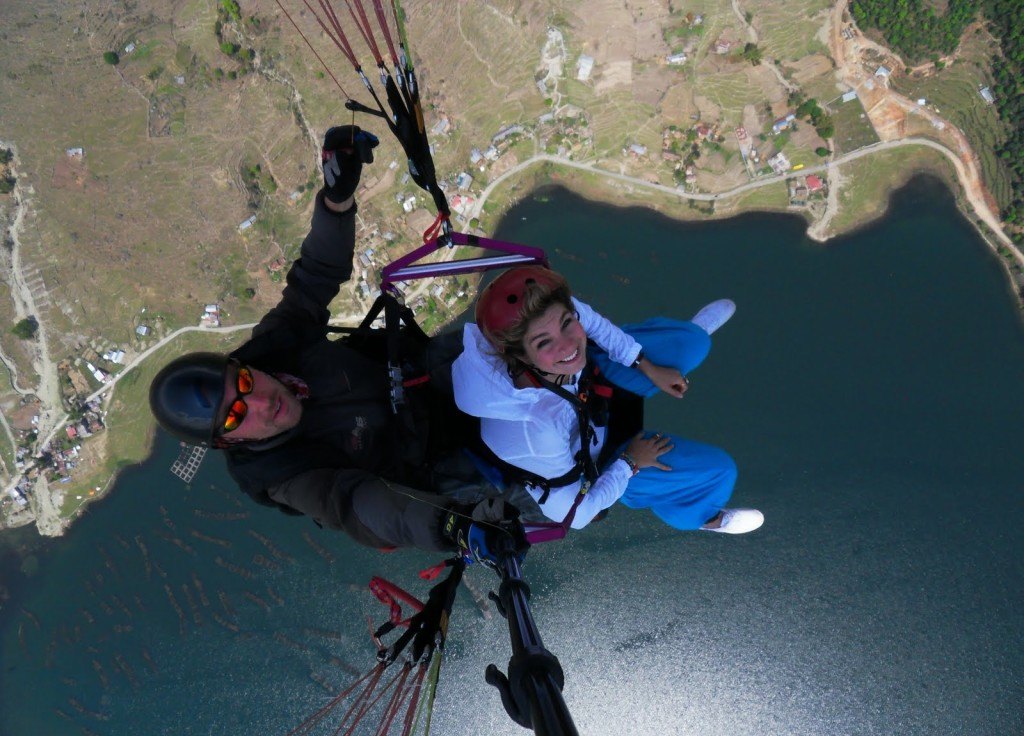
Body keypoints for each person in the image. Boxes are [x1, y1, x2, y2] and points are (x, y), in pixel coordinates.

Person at [149, 126, 523, 562]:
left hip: (423, 376)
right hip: (435, 469)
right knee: (539, 485)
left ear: (245, 365)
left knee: (522, 324)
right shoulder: (280, 474)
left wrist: (337, 198)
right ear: (227, 444)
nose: (259, 402)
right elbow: (355, 503)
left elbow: (317, 273)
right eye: (235, 415)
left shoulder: (276, 346)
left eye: (246, 383)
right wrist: (450, 525)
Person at [451, 266, 763, 534]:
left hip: (590, 391)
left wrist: (648, 367)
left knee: (692, 344)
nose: (568, 344)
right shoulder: (534, 429)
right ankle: (704, 518)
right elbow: (575, 514)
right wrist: (630, 463)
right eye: (545, 342)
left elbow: (594, 326)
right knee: (720, 471)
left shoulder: (543, 313)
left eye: (567, 324)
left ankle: (685, 338)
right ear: (517, 356)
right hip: (601, 458)